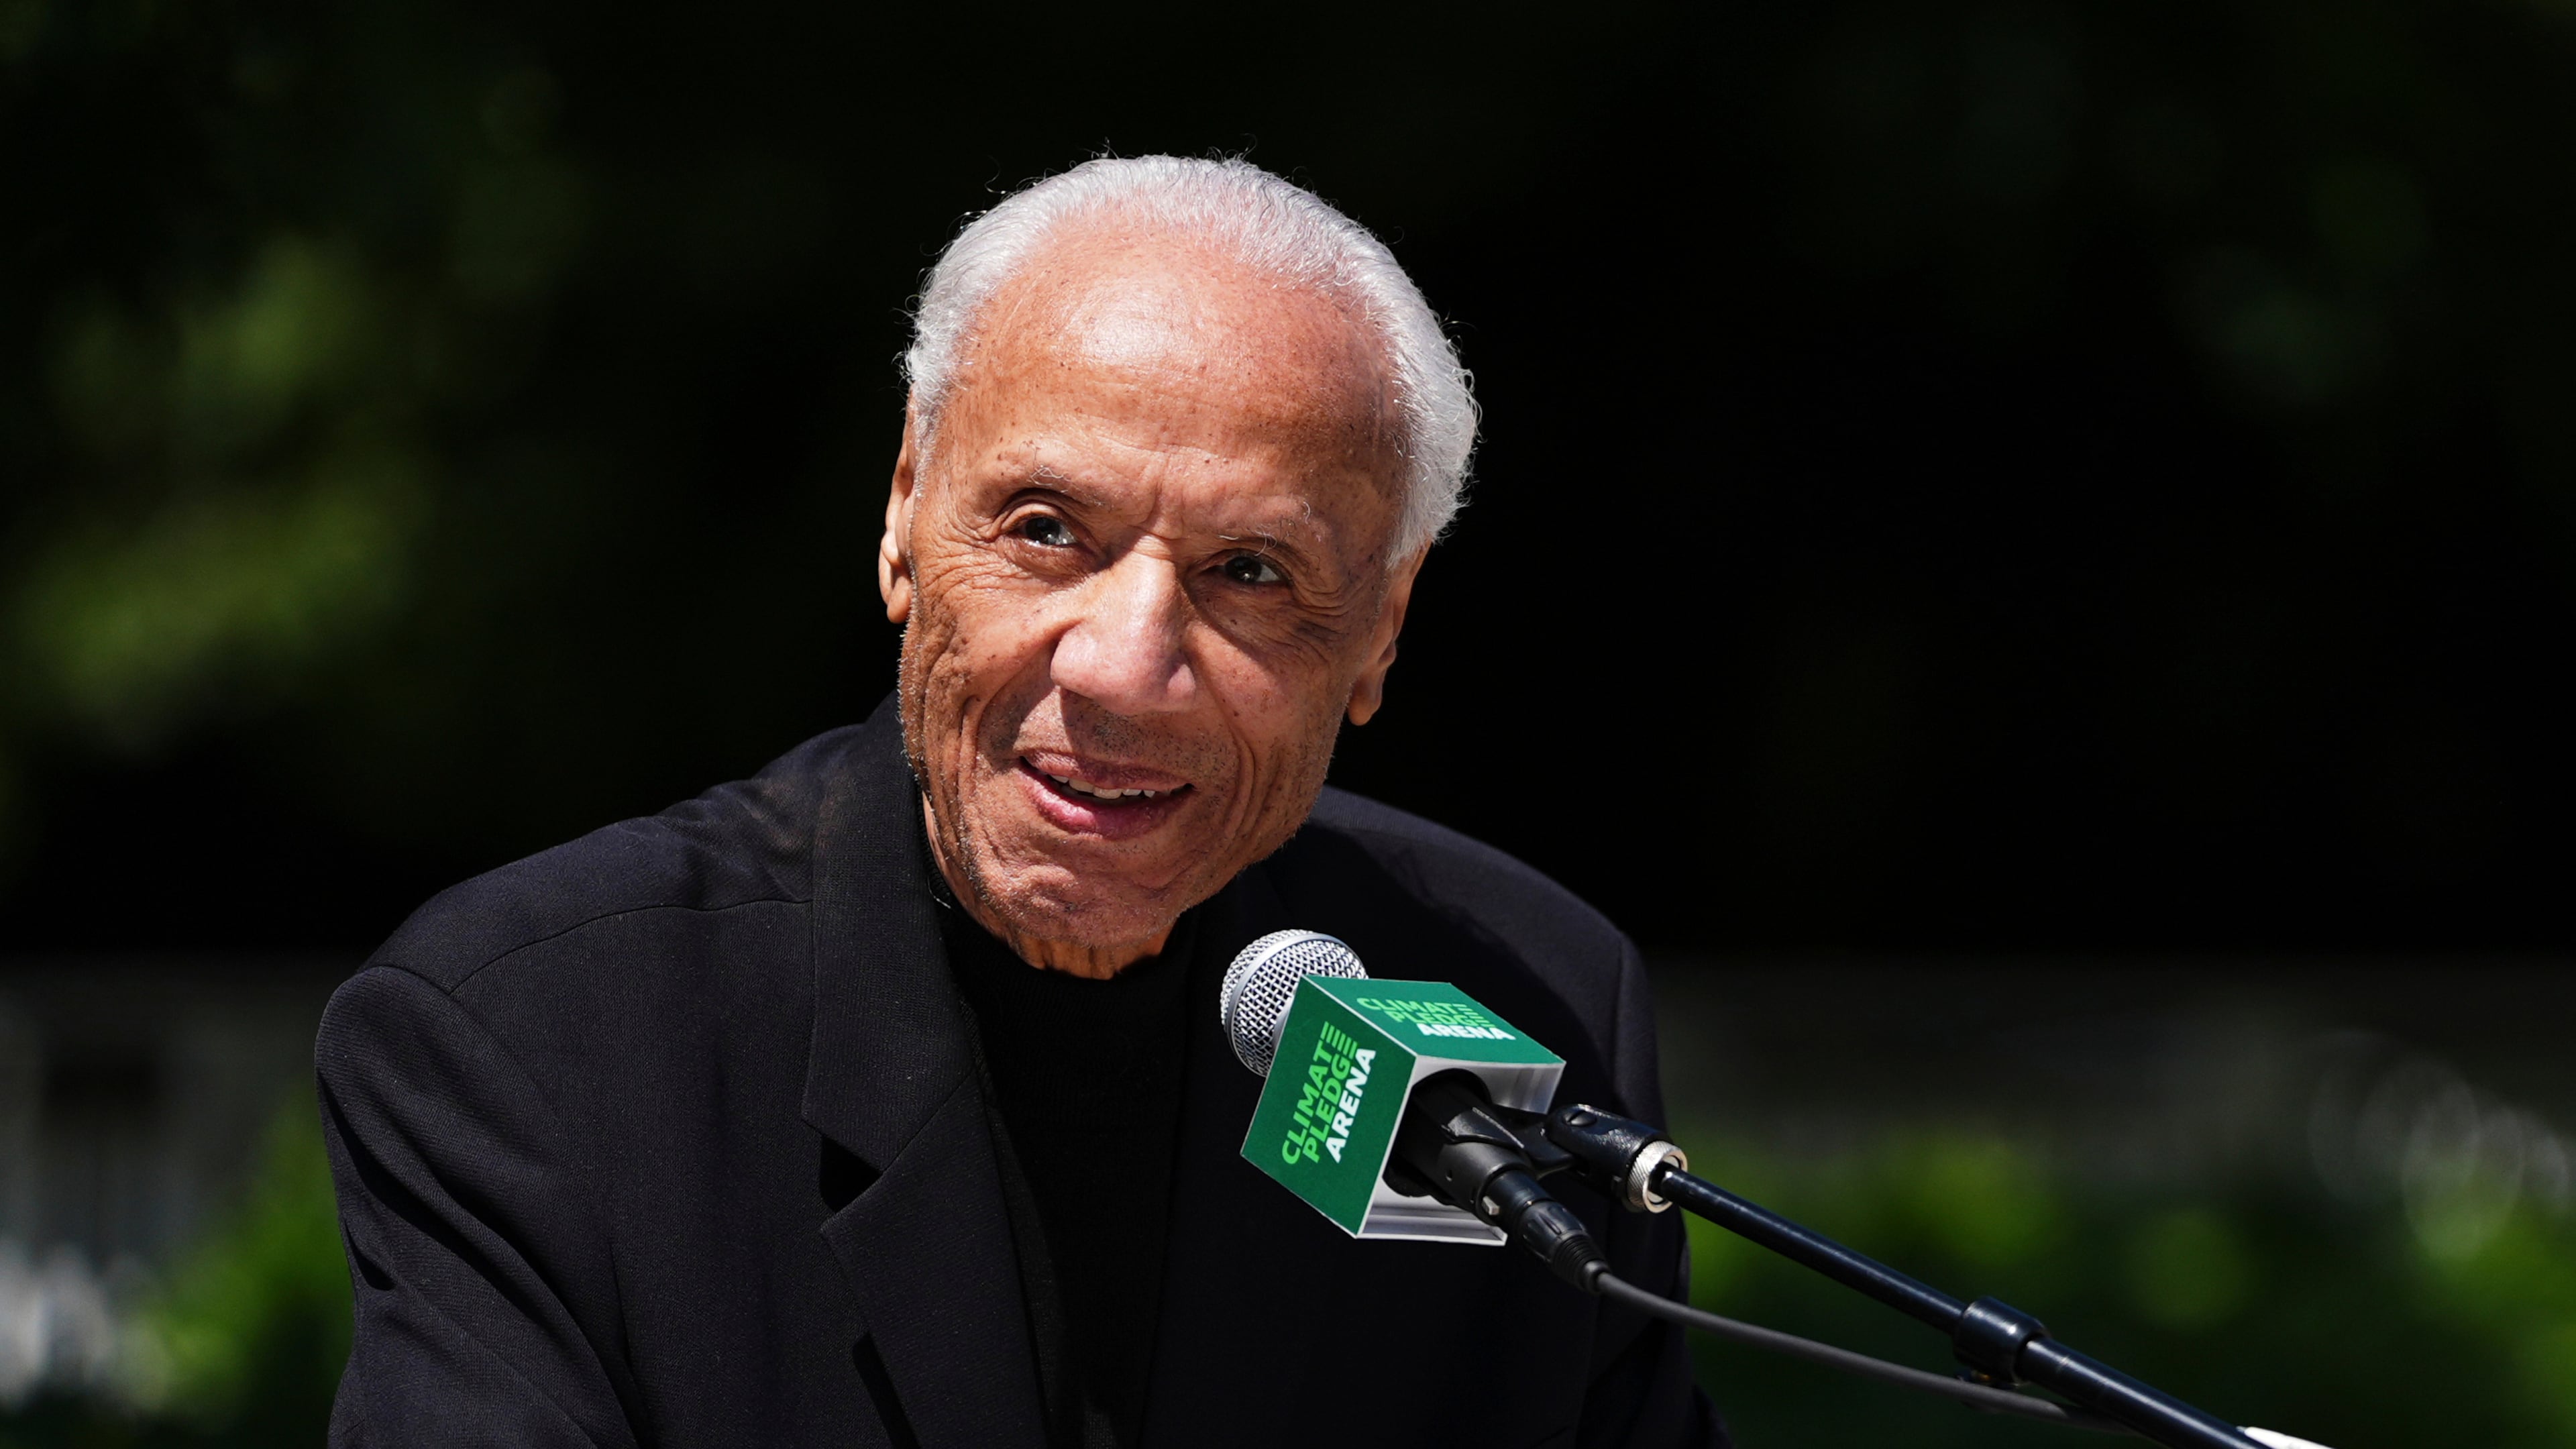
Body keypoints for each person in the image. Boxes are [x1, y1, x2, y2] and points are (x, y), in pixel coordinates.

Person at [317, 155, 1725, 1449]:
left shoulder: (1526, 1000)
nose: (1125, 669)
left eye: (1250, 572)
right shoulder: (537, 1042)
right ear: (905, 512)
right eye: (1047, 531)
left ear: (1384, 629)